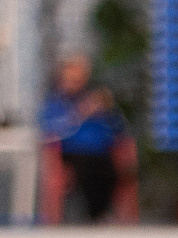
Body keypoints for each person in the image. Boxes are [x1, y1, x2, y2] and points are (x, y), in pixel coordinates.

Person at [40, 54, 134, 225]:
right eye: (71, 79)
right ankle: (93, 214)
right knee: (86, 167)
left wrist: (108, 112)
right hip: (70, 153)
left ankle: (100, 215)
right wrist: (81, 112)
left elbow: (119, 129)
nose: (75, 83)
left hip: (101, 152)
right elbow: (51, 129)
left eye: (79, 79)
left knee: (111, 170)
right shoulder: (56, 103)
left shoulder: (96, 100)